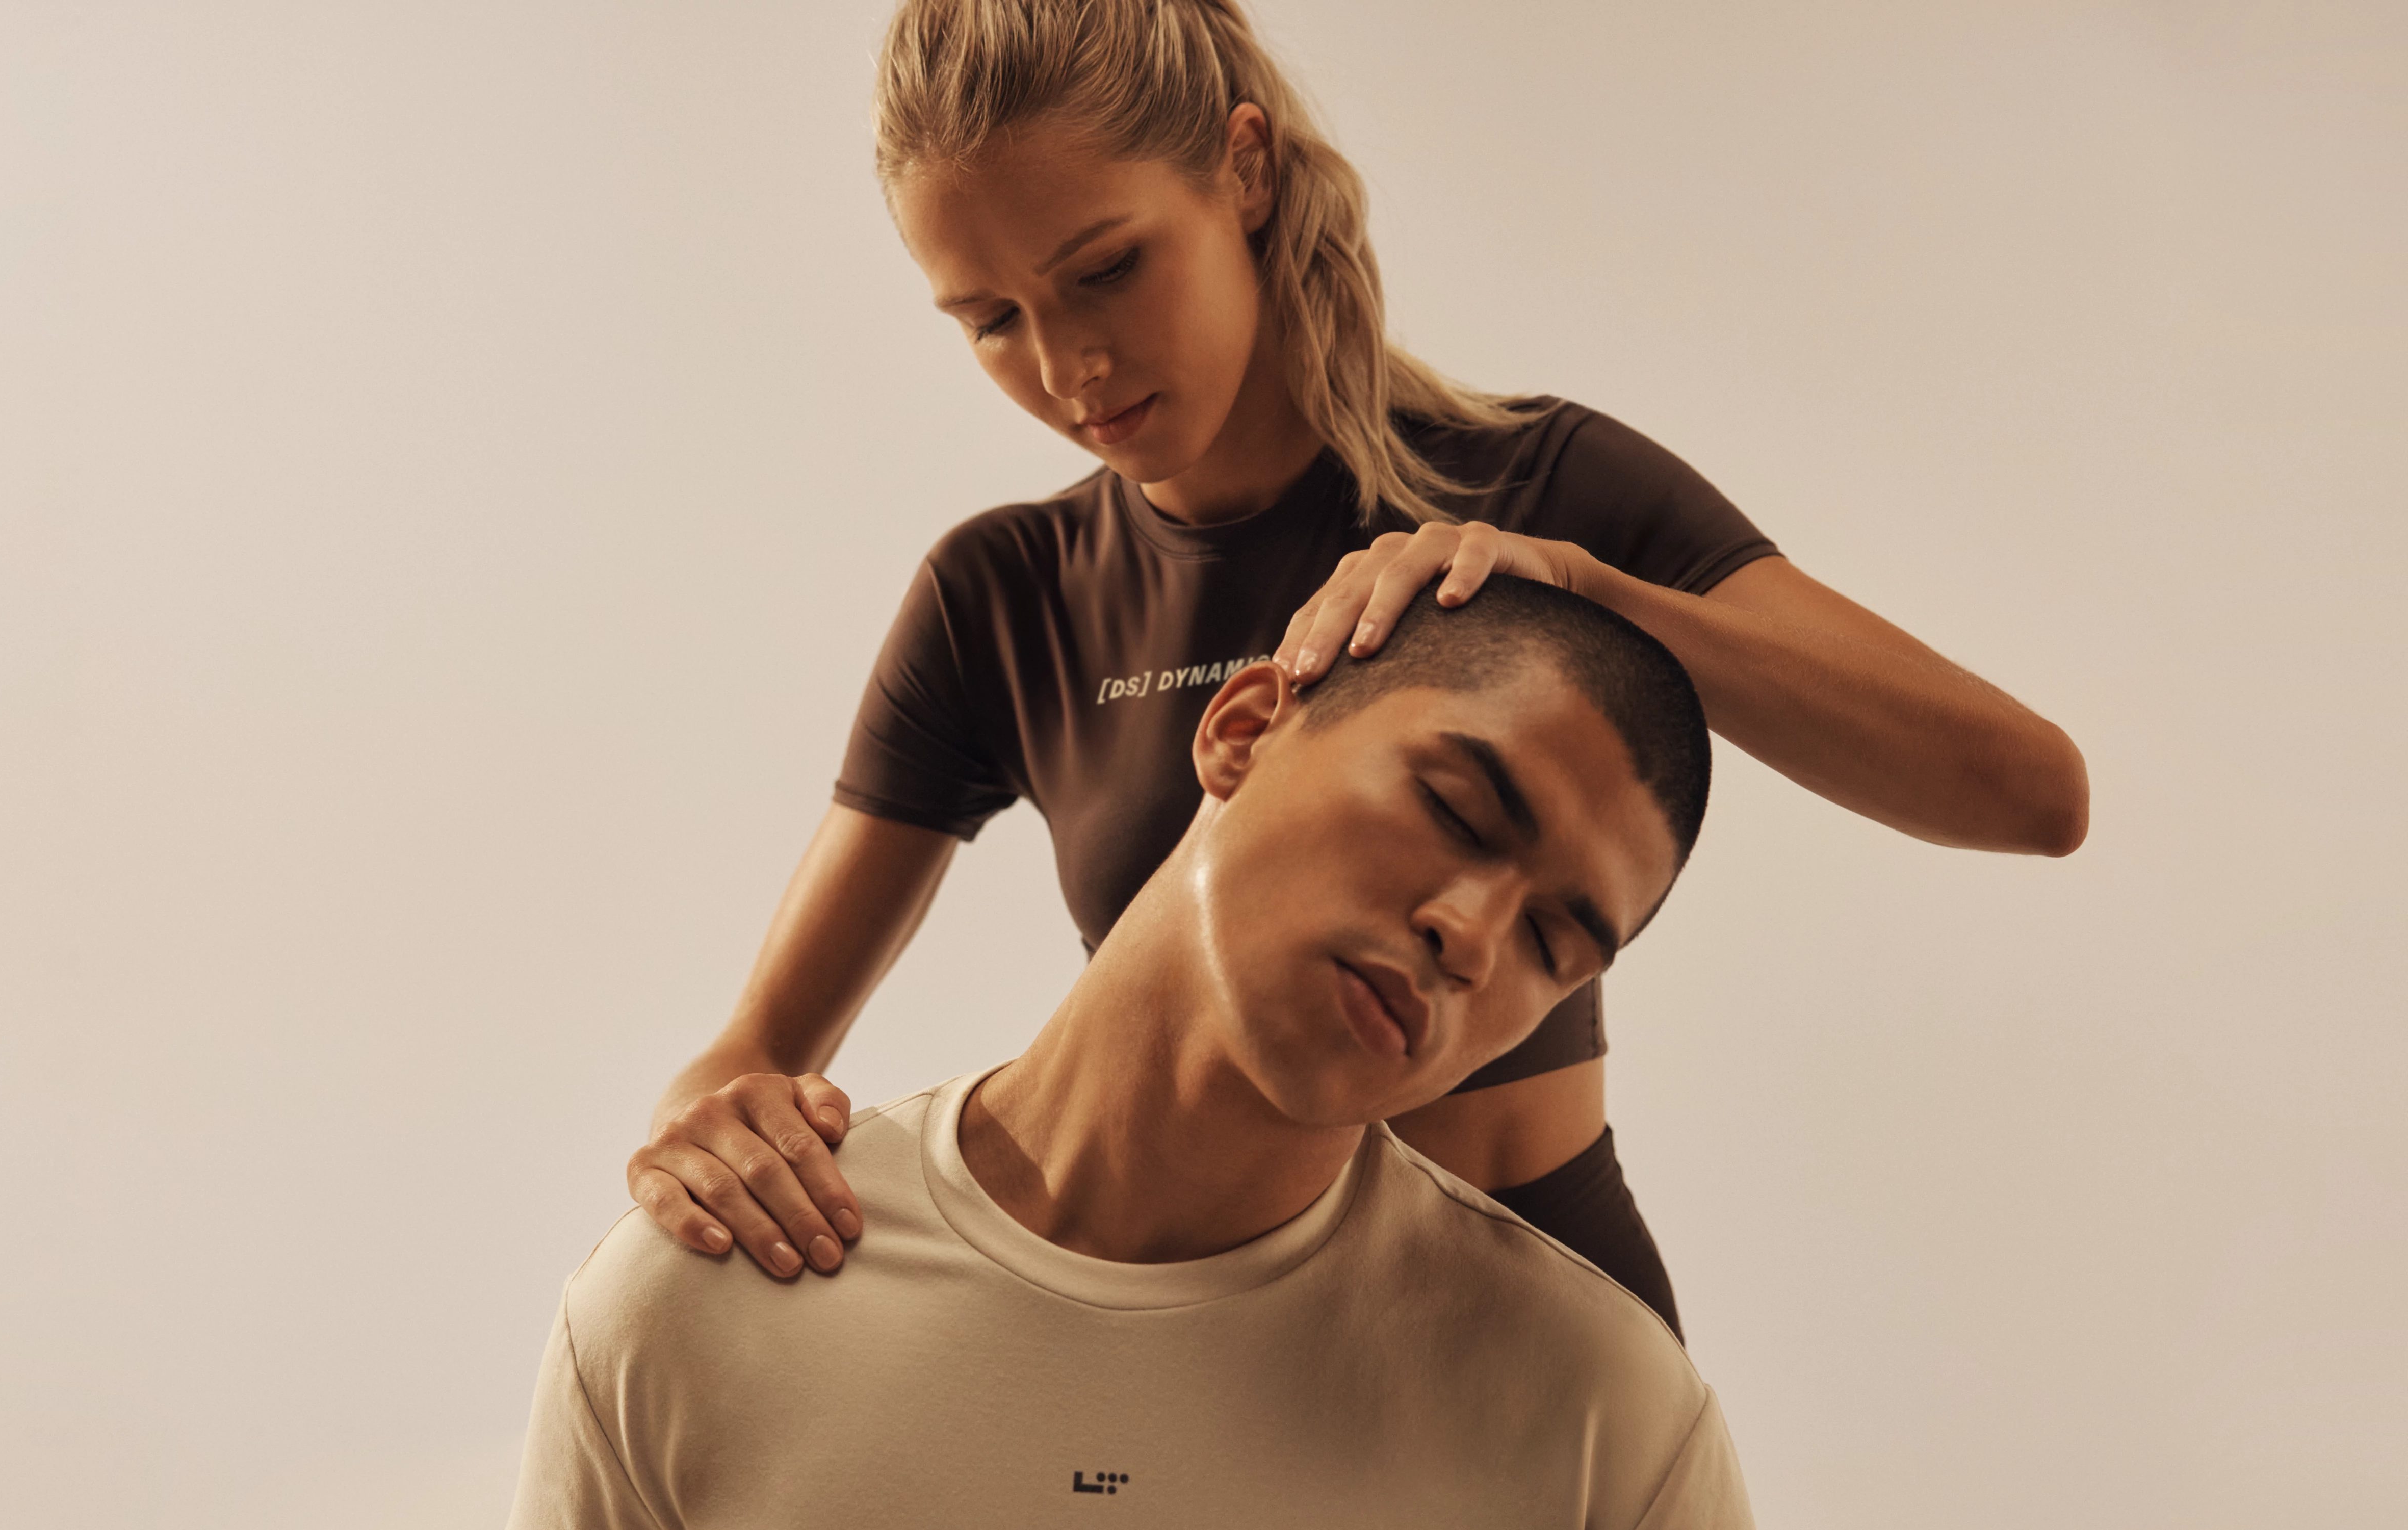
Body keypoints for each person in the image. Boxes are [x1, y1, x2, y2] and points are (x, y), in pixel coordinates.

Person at [625, 0, 2090, 1337]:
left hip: (1527, 1319)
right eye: (992, 320)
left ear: (1241, 173)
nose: (1068, 363)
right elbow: (751, 1054)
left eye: (1107, 270)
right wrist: (708, 1134)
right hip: (1196, 1334)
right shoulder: (1002, 597)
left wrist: (1588, 591)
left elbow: (2031, 793)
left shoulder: (1538, 489)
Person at [452, 581, 1794, 1530]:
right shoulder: (715, 1286)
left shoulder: (1605, 1414)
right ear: (1246, 728)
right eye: (1454, 808)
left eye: (1557, 943)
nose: (1472, 934)